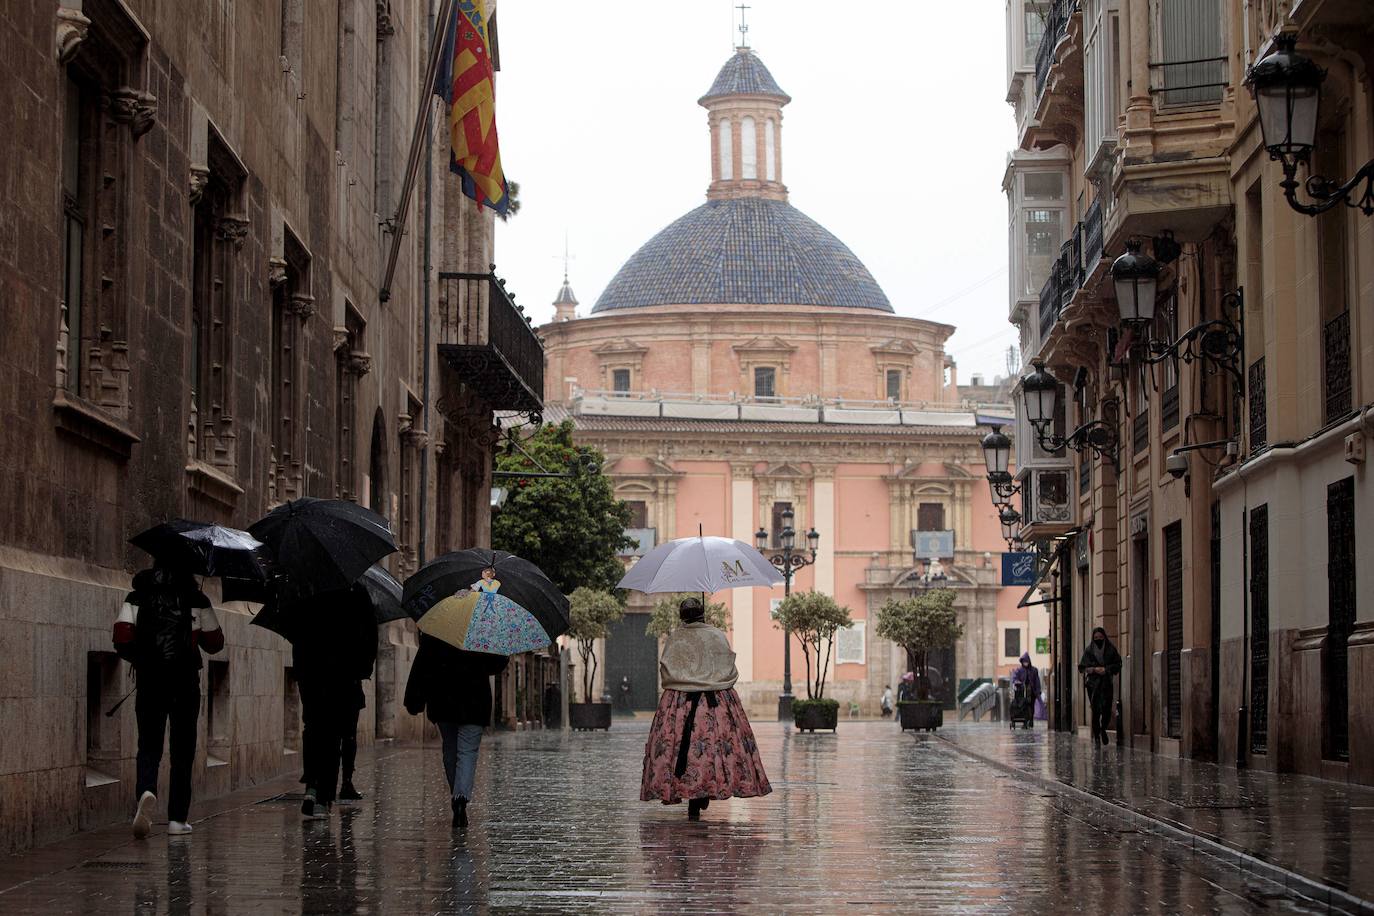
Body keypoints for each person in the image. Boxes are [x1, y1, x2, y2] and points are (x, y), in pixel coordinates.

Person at [112, 563, 223, 838]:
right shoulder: (197, 599)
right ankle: (177, 819)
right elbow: (215, 643)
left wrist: (142, 659)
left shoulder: (136, 597)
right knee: (182, 750)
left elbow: (121, 636)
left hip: (150, 680)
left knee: (149, 744)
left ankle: (146, 790)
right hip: (185, 683)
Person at [640, 597, 771, 819]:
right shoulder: (717, 636)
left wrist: (688, 679)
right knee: (712, 748)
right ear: (702, 614)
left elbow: (668, 670)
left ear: (683, 617)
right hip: (715, 702)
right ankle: (702, 791)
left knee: (682, 749)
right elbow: (729, 669)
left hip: (680, 703)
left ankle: (693, 793)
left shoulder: (675, 638)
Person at [404, 634, 509, 829]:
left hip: (443, 700)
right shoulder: (484, 629)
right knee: (467, 752)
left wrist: (414, 699)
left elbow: (423, 664)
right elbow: (497, 665)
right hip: (474, 702)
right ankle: (460, 799)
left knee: (450, 750)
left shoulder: (437, 629)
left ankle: (458, 797)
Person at [291, 584, 377, 820]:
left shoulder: (304, 589)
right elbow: (370, 635)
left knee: (313, 727)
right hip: (343, 674)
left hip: (310, 671)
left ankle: (311, 785)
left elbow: (293, 628)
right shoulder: (355, 591)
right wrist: (362, 668)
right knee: (333, 734)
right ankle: (323, 797)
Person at [1078, 626, 1122, 745]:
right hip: (1093, 685)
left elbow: (1118, 664)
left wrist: (1106, 669)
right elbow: (1082, 667)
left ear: (1104, 637)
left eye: (1100, 637)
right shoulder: (1089, 650)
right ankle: (1097, 735)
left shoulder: (1110, 649)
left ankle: (1103, 729)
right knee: (1096, 710)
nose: (1098, 639)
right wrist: (1094, 669)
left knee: (1106, 708)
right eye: (1096, 637)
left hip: (1107, 683)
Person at [1010, 651, 1041, 726]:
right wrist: (1017, 682)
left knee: (1031, 705)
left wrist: (1038, 691)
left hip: (1032, 691)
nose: (1025, 663)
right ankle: (1026, 720)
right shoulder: (1019, 670)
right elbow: (1014, 678)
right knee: (1024, 706)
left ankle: (1031, 720)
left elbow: (1037, 681)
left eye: (1026, 662)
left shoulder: (1034, 670)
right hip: (1022, 691)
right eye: (1024, 662)